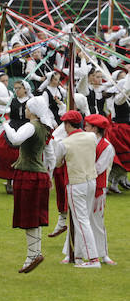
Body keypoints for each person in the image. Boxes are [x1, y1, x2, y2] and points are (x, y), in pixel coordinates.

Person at [1, 96, 55, 273]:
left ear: (32, 110)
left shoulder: (31, 126)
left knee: (30, 217)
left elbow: (15, 140)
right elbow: (50, 156)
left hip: (29, 175)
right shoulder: (44, 128)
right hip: (39, 175)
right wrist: (50, 175)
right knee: (35, 217)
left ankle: (32, 255)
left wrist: (5, 125)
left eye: (27, 108)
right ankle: (35, 252)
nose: (25, 110)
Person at [54, 107, 100, 268]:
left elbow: (57, 162)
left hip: (76, 183)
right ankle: (78, 255)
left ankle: (93, 258)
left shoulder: (64, 143)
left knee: (81, 221)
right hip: (91, 181)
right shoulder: (91, 137)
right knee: (83, 219)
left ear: (67, 125)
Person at [83, 114, 116, 265]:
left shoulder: (107, 146)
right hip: (82, 184)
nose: (84, 128)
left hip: (97, 187)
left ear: (95, 129)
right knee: (79, 220)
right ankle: (73, 253)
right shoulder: (83, 142)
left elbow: (99, 167)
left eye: (87, 126)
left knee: (97, 222)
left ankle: (103, 254)